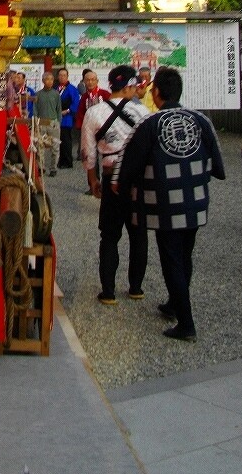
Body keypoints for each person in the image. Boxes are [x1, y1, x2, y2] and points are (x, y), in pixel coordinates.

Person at [118, 66, 225, 343]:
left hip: (164, 205)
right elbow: (218, 166)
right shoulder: (200, 120)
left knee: (172, 259)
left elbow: (130, 167)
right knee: (184, 255)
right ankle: (175, 303)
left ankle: (186, 323)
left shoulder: (151, 124)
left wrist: (124, 189)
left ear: (156, 93)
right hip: (195, 201)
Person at [81, 65, 151, 305]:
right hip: (138, 179)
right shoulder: (143, 113)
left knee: (109, 235)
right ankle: (136, 288)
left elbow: (88, 151)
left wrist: (93, 179)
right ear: (130, 86)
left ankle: (108, 291)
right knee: (139, 234)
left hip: (112, 177)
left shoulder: (94, 112)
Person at [33, 71, 62, 177]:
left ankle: (53, 168)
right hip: (41, 122)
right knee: (40, 146)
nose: (49, 81)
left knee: (55, 147)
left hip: (53, 122)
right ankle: (41, 167)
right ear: (43, 81)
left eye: (51, 79)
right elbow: (35, 109)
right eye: (47, 79)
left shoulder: (56, 94)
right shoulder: (38, 94)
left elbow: (59, 109)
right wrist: (36, 122)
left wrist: (58, 122)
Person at [56, 67, 80, 168]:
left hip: (67, 118)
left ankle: (68, 162)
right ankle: (61, 161)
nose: (62, 77)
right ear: (58, 76)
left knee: (66, 141)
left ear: (67, 76)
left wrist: (68, 111)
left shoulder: (72, 89)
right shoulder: (56, 88)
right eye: (60, 75)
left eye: (64, 75)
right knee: (59, 141)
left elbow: (76, 103)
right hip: (57, 117)